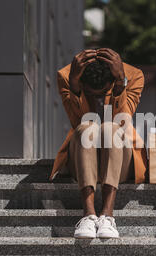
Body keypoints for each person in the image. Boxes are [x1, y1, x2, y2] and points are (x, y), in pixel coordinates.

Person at [49, 48, 148, 239]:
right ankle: (88, 215)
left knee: (110, 128)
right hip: (82, 156)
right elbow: (77, 121)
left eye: (103, 94)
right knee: (87, 128)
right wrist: (75, 86)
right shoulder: (66, 76)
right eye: (91, 94)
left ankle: (107, 215)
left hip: (121, 157)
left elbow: (122, 120)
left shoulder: (134, 76)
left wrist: (120, 85)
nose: (98, 99)